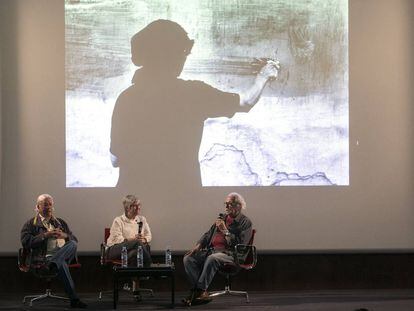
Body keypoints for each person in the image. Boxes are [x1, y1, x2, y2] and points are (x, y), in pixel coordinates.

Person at [110, 19, 280, 192]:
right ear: (172, 56)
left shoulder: (126, 99)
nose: (183, 59)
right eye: (182, 53)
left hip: (135, 203)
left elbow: (115, 160)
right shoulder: (193, 94)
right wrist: (264, 75)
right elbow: (246, 102)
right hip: (182, 200)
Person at [182, 192, 252, 305]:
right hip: (212, 251)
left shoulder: (245, 222)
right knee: (188, 258)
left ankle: (197, 292)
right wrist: (198, 245)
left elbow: (241, 245)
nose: (226, 206)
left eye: (229, 204)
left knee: (212, 258)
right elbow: (208, 234)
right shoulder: (222, 218)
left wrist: (225, 231)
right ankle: (201, 292)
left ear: (238, 205)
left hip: (232, 255)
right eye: (225, 203)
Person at [20, 194, 87, 309]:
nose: (49, 207)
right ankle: (74, 300)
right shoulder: (31, 224)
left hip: (61, 256)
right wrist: (46, 235)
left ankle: (54, 262)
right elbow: (26, 242)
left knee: (73, 243)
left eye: (51, 204)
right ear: (38, 207)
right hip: (42, 260)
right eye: (46, 205)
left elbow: (74, 239)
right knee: (61, 263)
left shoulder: (60, 223)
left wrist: (64, 235)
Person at [106, 195, 152, 296]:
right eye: (135, 205)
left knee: (137, 252)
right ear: (128, 208)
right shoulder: (118, 220)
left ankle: (135, 290)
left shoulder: (142, 219)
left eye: (139, 205)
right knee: (137, 244)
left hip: (131, 253)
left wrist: (143, 239)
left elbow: (149, 236)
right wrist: (134, 240)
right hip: (115, 250)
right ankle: (149, 267)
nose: (139, 207)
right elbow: (117, 239)